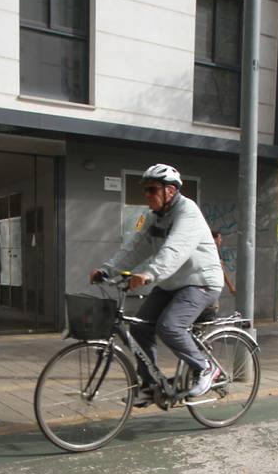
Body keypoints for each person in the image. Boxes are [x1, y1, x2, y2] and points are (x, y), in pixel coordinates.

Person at [92, 164, 224, 402]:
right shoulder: (154, 218)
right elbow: (134, 247)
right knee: (140, 326)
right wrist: (106, 270)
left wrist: (149, 274)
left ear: (170, 191)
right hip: (172, 284)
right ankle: (151, 386)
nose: (147, 195)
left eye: (152, 190)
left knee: (170, 326)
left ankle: (205, 368)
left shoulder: (188, 212)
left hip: (201, 282)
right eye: (145, 190)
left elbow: (176, 248)